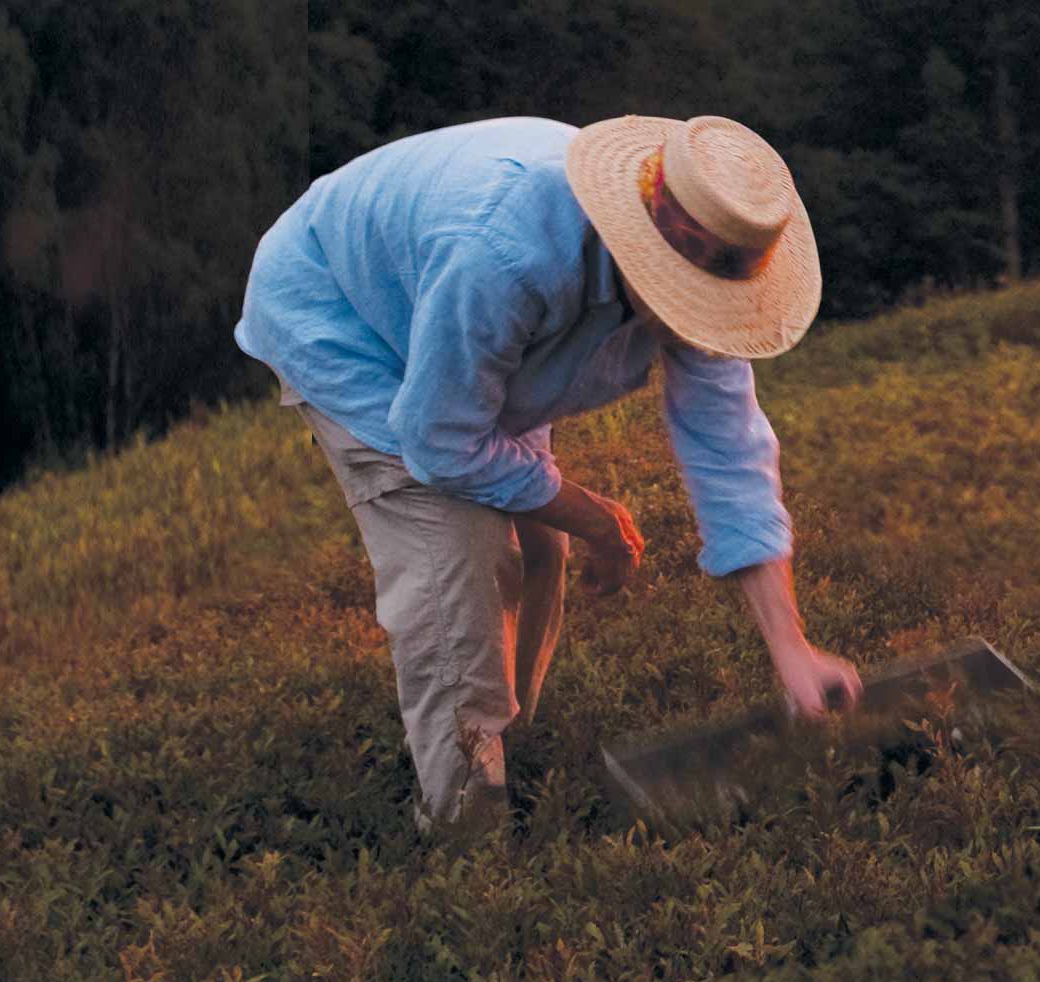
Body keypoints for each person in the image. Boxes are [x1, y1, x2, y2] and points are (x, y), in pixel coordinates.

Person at [233, 115, 864, 829]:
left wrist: (791, 650)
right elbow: (441, 443)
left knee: (543, 546)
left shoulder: (712, 255)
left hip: (465, 320)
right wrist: (596, 517)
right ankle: (468, 835)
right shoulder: (504, 254)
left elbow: (730, 456)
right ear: (638, 243)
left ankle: (518, 742)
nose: (695, 314)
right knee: (463, 560)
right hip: (342, 310)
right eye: (682, 290)